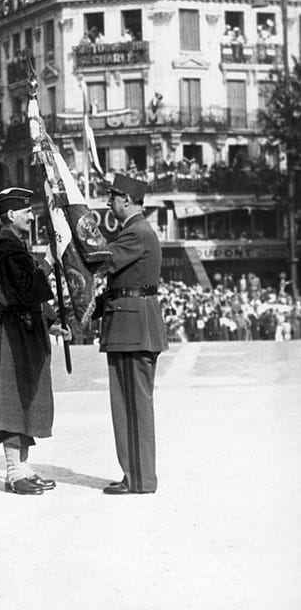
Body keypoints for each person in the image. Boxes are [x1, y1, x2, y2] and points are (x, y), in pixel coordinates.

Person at [0, 188, 69, 495]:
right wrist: (46, 262)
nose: (31, 215)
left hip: (25, 328)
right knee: (14, 399)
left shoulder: (15, 246)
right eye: (26, 211)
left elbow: (30, 296)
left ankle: (23, 467)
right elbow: (26, 290)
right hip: (15, 331)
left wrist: (52, 322)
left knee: (27, 396)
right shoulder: (7, 248)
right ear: (11, 215)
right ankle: (13, 472)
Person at [98, 174, 168, 495]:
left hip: (132, 328)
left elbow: (100, 259)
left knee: (132, 404)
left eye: (112, 198)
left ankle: (139, 478)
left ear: (127, 199)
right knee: (129, 402)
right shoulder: (137, 231)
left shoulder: (136, 232)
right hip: (131, 324)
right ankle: (135, 474)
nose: (109, 203)